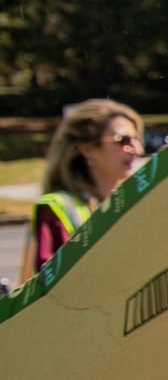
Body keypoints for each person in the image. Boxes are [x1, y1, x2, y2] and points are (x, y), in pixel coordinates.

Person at [20, 98, 147, 280]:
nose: (137, 149)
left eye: (137, 139)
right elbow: (51, 286)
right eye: (123, 140)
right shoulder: (57, 207)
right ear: (87, 149)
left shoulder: (136, 203)